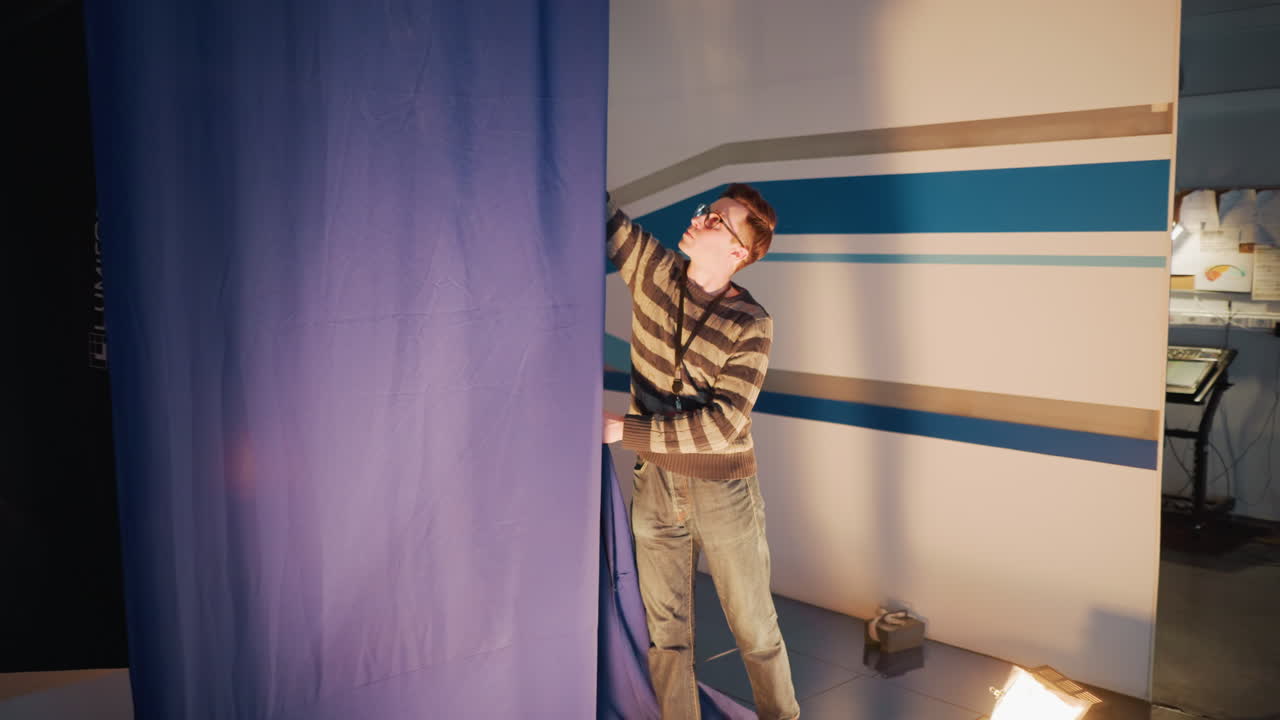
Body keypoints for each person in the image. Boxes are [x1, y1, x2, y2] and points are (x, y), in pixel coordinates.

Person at [603, 184, 799, 720]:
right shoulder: (653, 271)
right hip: (656, 485)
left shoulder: (751, 324)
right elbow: (603, 217)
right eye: (705, 212)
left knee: (755, 630)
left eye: (715, 220)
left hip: (723, 490)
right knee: (666, 637)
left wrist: (628, 430)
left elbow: (723, 425)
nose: (699, 219)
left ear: (738, 252)